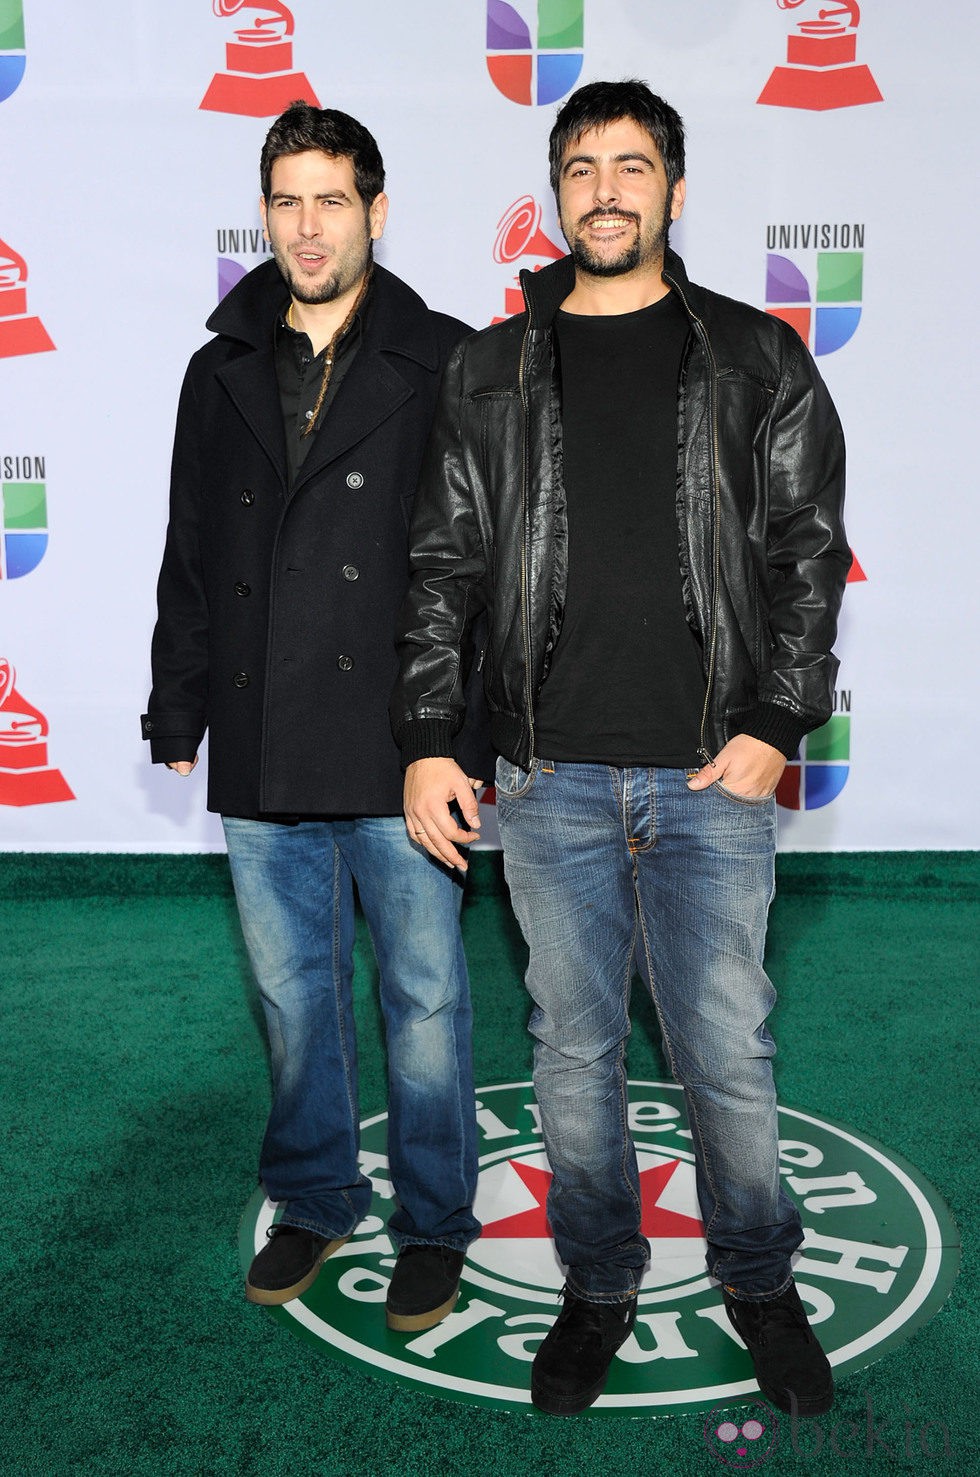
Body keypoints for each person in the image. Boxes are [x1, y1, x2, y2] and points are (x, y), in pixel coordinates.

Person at [391, 80, 849, 1413]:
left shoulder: (759, 361)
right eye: (582, 167)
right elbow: (440, 568)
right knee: (573, 1047)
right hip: (544, 779)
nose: (607, 190)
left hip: (716, 777)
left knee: (727, 1046)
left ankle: (758, 1279)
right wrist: (430, 737)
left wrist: (778, 721)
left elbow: (807, 555)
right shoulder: (489, 368)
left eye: (633, 166)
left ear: (675, 191)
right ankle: (599, 1284)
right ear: (555, 193)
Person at [142, 102, 489, 1332]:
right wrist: (177, 700)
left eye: (329, 199)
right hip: (260, 739)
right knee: (293, 996)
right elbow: (194, 550)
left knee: (428, 1000)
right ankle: (312, 1192)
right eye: (284, 200)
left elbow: (475, 570)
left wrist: (454, 737)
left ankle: (437, 1220)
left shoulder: (445, 357)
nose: (305, 225)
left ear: (375, 212)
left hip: (402, 745)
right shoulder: (218, 364)